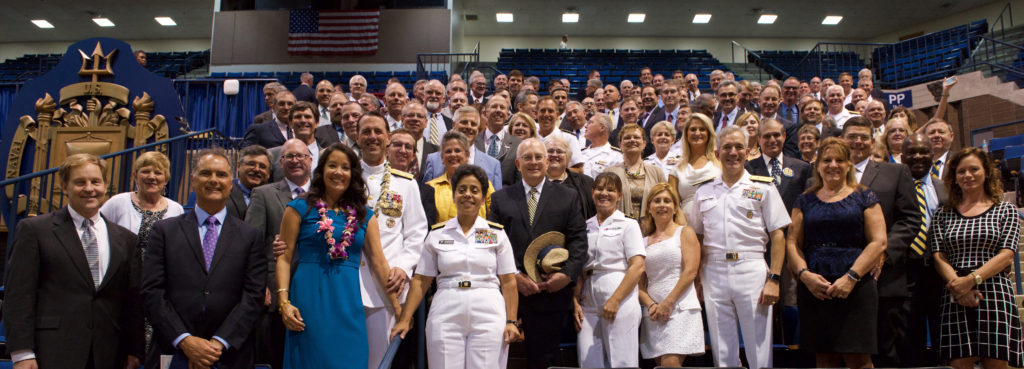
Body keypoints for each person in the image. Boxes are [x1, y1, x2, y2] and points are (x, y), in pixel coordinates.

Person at [5, 153, 143, 369]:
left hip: (109, 354)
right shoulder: (35, 230)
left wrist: (134, 350)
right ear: (64, 185)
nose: (89, 188)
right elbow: (19, 295)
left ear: (106, 185)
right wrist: (22, 353)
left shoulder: (126, 239)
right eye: (80, 182)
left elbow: (132, 301)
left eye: (95, 181)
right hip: (51, 352)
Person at [275, 143, 401, 368]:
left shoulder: (365, 215)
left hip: (348, 301)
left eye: (345, 167)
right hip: (308, 299)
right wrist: (284, 302)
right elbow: (284, 257)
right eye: (332, 165)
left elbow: (379, 263)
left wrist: (400, 310)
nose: (338, 172)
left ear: (353, 174)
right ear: (322, 170)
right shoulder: (298, 208)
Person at [143, 148, 266, 369]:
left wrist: (218, 343)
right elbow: (152, 292)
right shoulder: (164, 231)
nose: (213, 180)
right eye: (206, 173)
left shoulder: (250, 236)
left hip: (229, 354)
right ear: (192, 180)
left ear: (231, 182)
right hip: (172, 350)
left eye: (221, 175)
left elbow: (253, 296)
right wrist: (185, 340)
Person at [391, 164, 520, 368]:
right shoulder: (437, 234)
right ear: (453, 194)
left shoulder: (496, 233)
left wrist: (511, 321)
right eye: (462, 189)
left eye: (474, 190)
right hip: (446, 308)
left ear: (483, 196)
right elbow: (421, 280)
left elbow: (508, 281)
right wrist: (405, 318)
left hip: (488, 308)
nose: (467, 195)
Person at [691, 126, 789, 369]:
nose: (732, 152)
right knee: (721, 347)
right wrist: (697, 276)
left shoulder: (764, 186)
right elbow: (696, 236)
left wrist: (774, 279)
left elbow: (778, 235)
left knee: (758, 345)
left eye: (738, 147)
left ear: (748, 151)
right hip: (713, 270)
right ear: (716, 153)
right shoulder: (703, 190)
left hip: (751, 268)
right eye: (727, 147)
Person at [785, 138, 887, 369]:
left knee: (858, 358)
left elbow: (879, 241)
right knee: (824, 358)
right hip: (815, 287)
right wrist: (804, 275)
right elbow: (792, 243)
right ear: (818, 165)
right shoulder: (804, 200)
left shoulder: (864, 196)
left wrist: (851, 278)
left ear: (849, 164)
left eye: (839, 160)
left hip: (856, 285)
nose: (833, 165)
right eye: (827, 160)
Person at [488, 138, 588, 369]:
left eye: (538, 157)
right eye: (527, 157)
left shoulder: (568, 196)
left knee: (544, 362)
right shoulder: (500, 198)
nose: (533, 162)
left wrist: (566, 275)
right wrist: (513, 275)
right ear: (517, 163)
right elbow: (492, 242)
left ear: (546, 161)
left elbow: (579, 242)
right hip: (509, 293)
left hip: (551, 293)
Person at [930, 147, 1024, 369]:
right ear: (954, 177)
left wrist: (970, 280)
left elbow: (1007, 254)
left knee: (995, 362)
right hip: (954, 291)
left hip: (994, 290)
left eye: (974, 169)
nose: (967, 175)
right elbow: (938, 254)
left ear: (986, 172)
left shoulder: (1005, 210)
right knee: (959, 362)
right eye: (961, 171)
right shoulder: (943, 213)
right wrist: (957, 286)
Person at [841, 116, 920, 366]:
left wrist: (883, 253)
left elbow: (909, 220)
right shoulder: (825, 175)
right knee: (846, 353)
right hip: (838, 277)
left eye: (864, 137)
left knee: (886, 352)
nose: (858, 142)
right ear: (842, 140)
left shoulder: (895, 172)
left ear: (873, 141)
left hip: (883, 280)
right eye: (852, 136)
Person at [355, 112, 428, 369]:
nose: (372, 137)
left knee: (380, 360)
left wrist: (405, 268)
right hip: (346, 281)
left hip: (386, 284)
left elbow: (417, 233)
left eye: (378, 132)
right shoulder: (345, 179)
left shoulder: (405, 184)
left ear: (388, 138)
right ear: (357, 137)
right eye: (366, 131)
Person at [245, 138, 312, 369]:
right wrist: (259, 284)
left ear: (311, 160)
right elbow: (251, 244)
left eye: (301, 156)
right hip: (274, 293)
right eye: (289, 157)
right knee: (276, 357)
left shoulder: (324, 196)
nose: (295, 161)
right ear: (280, 163)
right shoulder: (263, 194)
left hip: (315, 288)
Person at [574, 173, 646, 368]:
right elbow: (579, 266)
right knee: (588, 361)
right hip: (588, 295)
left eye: (611, 190)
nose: (604, 193)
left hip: (618, 291)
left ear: (620, 195)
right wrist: (575, 299)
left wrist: (615, 299)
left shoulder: (628, 225)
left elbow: (638, 265)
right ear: (592, 192)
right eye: (600, 189)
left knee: (621, 360)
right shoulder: (584, 226)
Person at [638, 183, 704, 366]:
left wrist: (668, 303)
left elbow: (691, 271)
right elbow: (638, 283)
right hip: (654, 312)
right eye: (657, 201)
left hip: (680, 307)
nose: (662, 205)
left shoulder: (685, 232)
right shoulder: (642, 241)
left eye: (667, 201)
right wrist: (650, 305)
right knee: (660, 365)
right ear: (649, 208)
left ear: (675, 207)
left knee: (670, 363)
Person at [900, 133, 948, 366]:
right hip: (906, 270)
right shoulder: (893, 187)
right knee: (911, 337)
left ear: (932, 155)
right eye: (912, 152)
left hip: (941, 271)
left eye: (923, 151)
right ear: (902, 156)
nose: (918, 156)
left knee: (944, 334)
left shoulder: (946, 188)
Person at [426, 130, 495, 223]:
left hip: (478, 236)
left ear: (467, 155)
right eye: (448, 151)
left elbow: (494, 219)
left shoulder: (484, 184)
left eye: (458, 150)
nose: (453, 154)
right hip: (443, 237)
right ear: (442, 157)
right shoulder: (431, 188)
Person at [605, 124, 665, 220]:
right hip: (619, 228)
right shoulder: (610, 172)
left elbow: (665, 201)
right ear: (620, 144)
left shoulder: (656, 172)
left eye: (636, 137)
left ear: (644, 144)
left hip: (651, 228)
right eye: (627, 137)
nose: (632, 140)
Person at [667, 113, 721, 218]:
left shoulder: (720, 165)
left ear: (709, 133)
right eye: (693, 129)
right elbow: (673, 206)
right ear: (686, 134)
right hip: (686, 225)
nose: (697, 133)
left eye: (702, 129)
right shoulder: (676, 170)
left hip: (715, 224)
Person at [545, 137, 596, 220]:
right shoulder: (534, 182)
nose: (554, 154)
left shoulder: (586, 182)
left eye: (559, 151)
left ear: (568, 158)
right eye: (550, 151)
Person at [476, 96, 522, 187]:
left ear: (508, 115)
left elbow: (519, 181)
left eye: (502, 107)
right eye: (494, 106)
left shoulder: (518, 144)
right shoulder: (473, 141)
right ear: (485, 113)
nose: (498, 110)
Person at [227, 145, 272, 219]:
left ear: (269, 173)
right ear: (238, 166)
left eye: (262, 166)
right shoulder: (225, 193)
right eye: (251, 164)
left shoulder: (274, 198)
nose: (256, 169)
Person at [580, 114, 623, 179]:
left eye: (590, 123)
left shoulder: (616, 156)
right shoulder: (581, 153)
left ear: (602, 128)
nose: (586, 126)